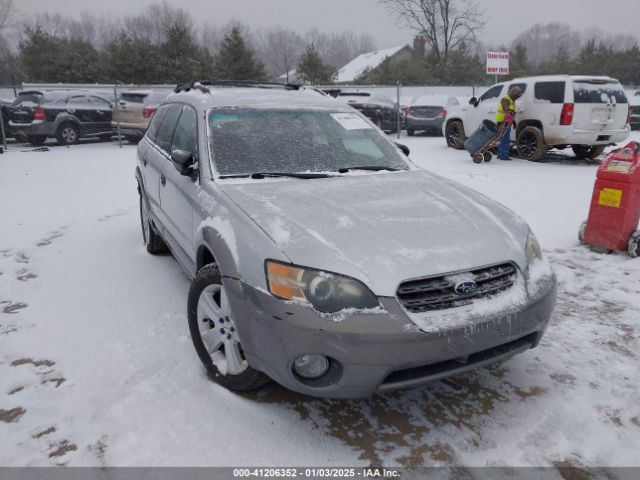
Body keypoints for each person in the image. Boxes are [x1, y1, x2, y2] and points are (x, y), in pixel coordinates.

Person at [496, 86, 523, 160]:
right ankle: (503, 155)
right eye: (516, 96)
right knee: (505, 138)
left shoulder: (512, 101)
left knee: (503, 138)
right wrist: (510, 111)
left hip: (507, 121)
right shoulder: (506, 99)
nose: (517, 98)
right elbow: (506, 108)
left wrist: (513, 121)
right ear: (513, 93)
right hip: (503, 121)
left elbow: (511, 113)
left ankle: (500, 154)